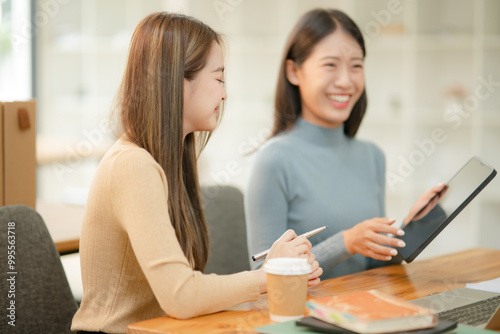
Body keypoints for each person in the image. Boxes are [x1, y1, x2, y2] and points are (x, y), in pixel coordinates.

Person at [71, 12, 322, 334]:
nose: (224, 94)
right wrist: (270, 275)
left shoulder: (167, 161)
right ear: (177, 80)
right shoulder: (133, 165)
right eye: (218, 79)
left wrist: (272, 269)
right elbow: (181, 296)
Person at [245, 8, 445, 280]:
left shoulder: (372, 156)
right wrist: (347, 242)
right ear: (294, 71)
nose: (345, 81)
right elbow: (264, 277)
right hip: (302, 318)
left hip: (361, 313)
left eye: (356, 65)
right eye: (330, 65)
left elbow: (374, 270)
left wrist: (412, 230)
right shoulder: (273, 161)